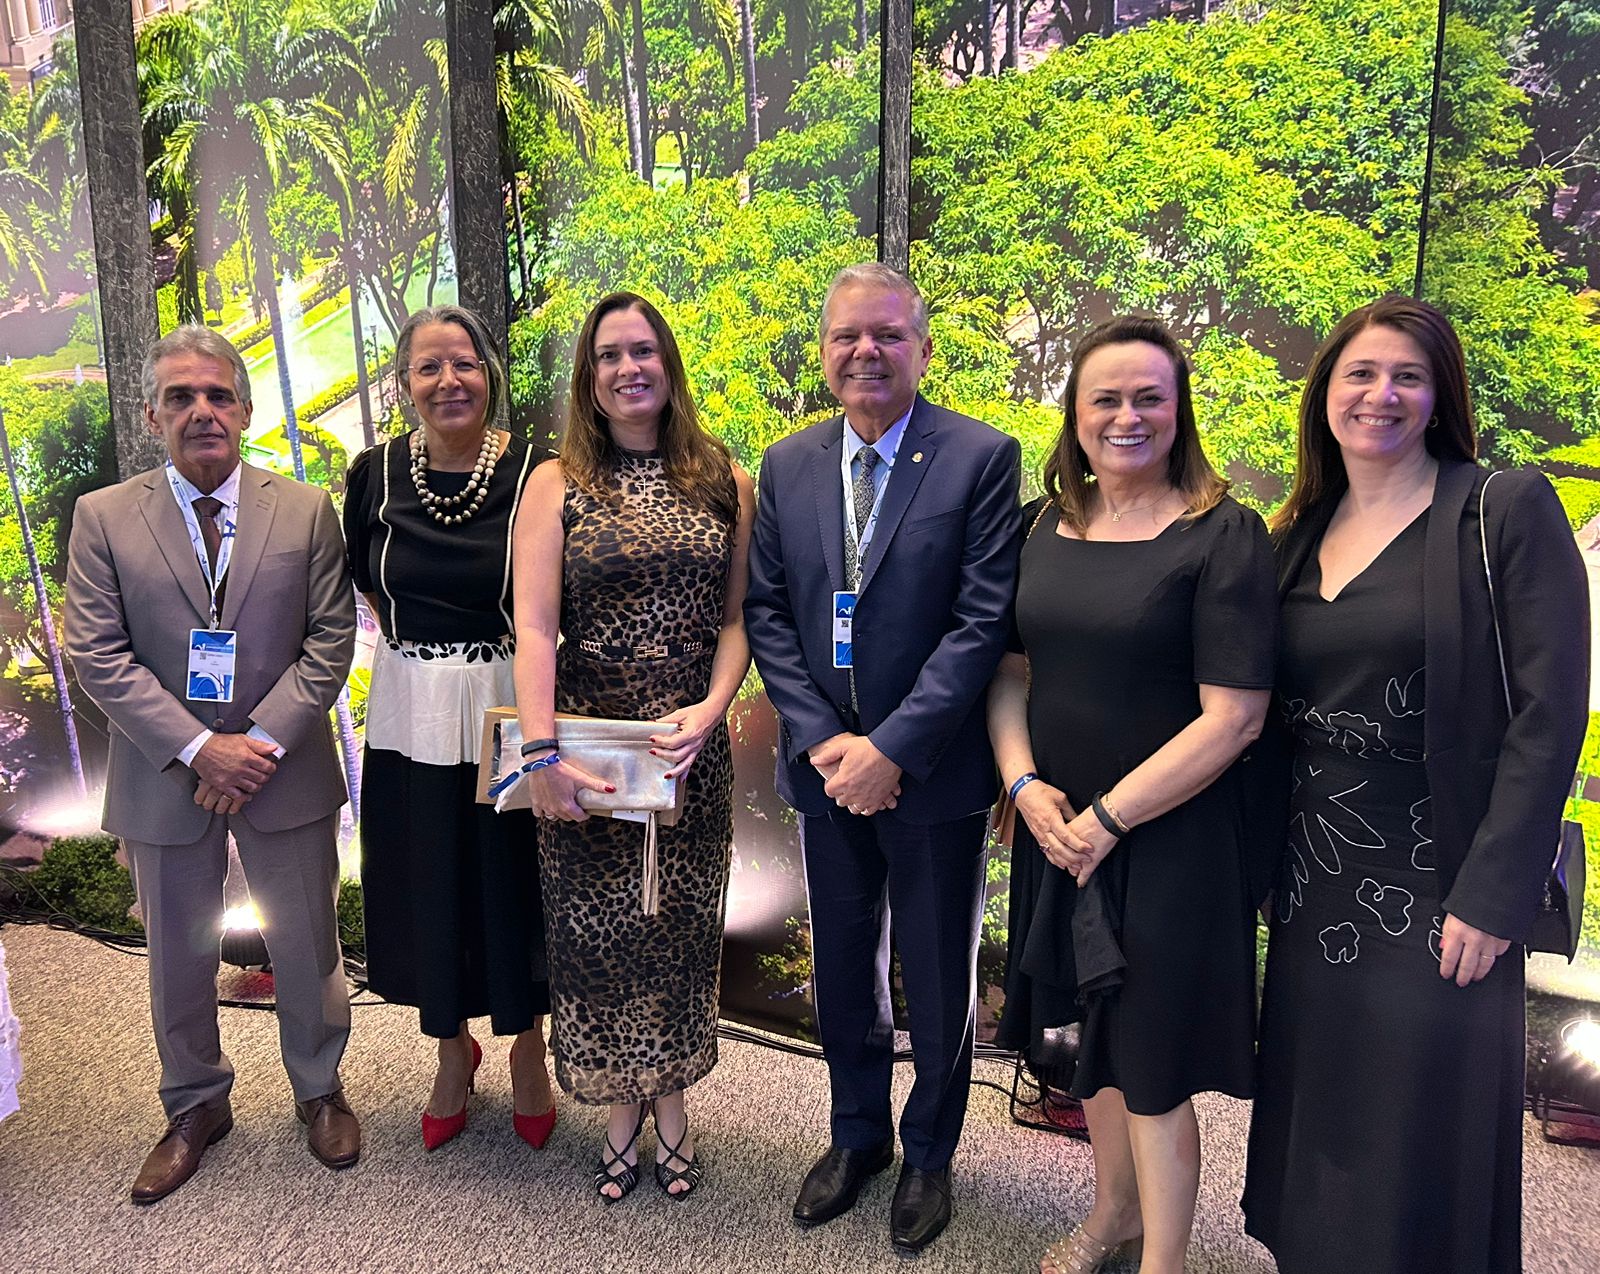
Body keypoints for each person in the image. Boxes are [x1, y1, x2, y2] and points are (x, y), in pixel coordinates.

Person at [1242, 297, 1588, 1274]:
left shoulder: (1502, 509)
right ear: (1325, 395)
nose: (1379, 393)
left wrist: (1493, 892)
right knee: (1323, 1124)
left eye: (1405, 373)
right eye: (1358, 372)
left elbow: (1549, 713)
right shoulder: (1296, 532)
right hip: (1314, 884)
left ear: (1439, 393)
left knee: (1417, 1140)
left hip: (1443, 884)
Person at [989, 316, 1276, 1274]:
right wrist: (1024, 786)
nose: (1127, 416)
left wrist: (1108, 819)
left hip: (1166, 843)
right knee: (1092, 1043)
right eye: (1105, 398)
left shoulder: (1223, 533)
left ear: (1180, 408)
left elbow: (1233, 718)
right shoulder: (1044, 524)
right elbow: (1009, 669)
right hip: (1056, 830)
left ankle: (1165, 1261)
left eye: (1149, 396)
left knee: (1151, 1066)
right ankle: (1113, 1215)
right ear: (1074, 413)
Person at [744, 263, 1021, 1254]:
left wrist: (891, 749)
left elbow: (980, 621)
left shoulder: (982, 458)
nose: (866, 352)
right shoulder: (786, 463)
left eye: (887, 335)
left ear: (922, 348)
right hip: (826, 777)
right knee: (844, 973)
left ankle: (931, 1152)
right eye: (846, 336)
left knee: (938, 972)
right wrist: (827, 743)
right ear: (821, 350)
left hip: (933, 775)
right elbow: (768, 611)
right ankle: (855, 1135)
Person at [63, 325, 359, 1202]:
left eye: (218, 395)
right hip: (163, 774)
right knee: (177, 955)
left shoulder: (304, 510)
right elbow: (98, 652)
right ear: (152, 414)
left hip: (283, 769)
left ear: (246, 408)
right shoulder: (103, 517)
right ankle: (195, 1103)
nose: (202, 412)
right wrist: (199, 747)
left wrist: (253, 745)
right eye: (182, 398)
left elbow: (330, 641)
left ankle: (321, 1088)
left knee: (308, 942)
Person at [511, 291, 754, 1202]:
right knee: (599, 938)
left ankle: (675, 1105)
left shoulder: (725, 478)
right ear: (589, 376)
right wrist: (539, 757)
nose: (627, 368)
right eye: (609, 355)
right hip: (588, 748)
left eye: (643, 350)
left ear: (668, 364)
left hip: (688, 749)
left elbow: (739, 621)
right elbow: (533, 630)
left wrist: (713, 707)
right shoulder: (557, 482)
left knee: (680, 932)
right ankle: (621, 1110)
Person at [343, 305, 556, 1152]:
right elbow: (362, 581)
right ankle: (448, 1047)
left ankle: (528, 1049)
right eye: (427, 368)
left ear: (489, 374)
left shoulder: (540, 471)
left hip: (511, 702)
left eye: (463, 364)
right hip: (412, 709)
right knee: (429, 877)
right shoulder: (374, 474)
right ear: (405, 384)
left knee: (516, 880)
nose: (447, 382)